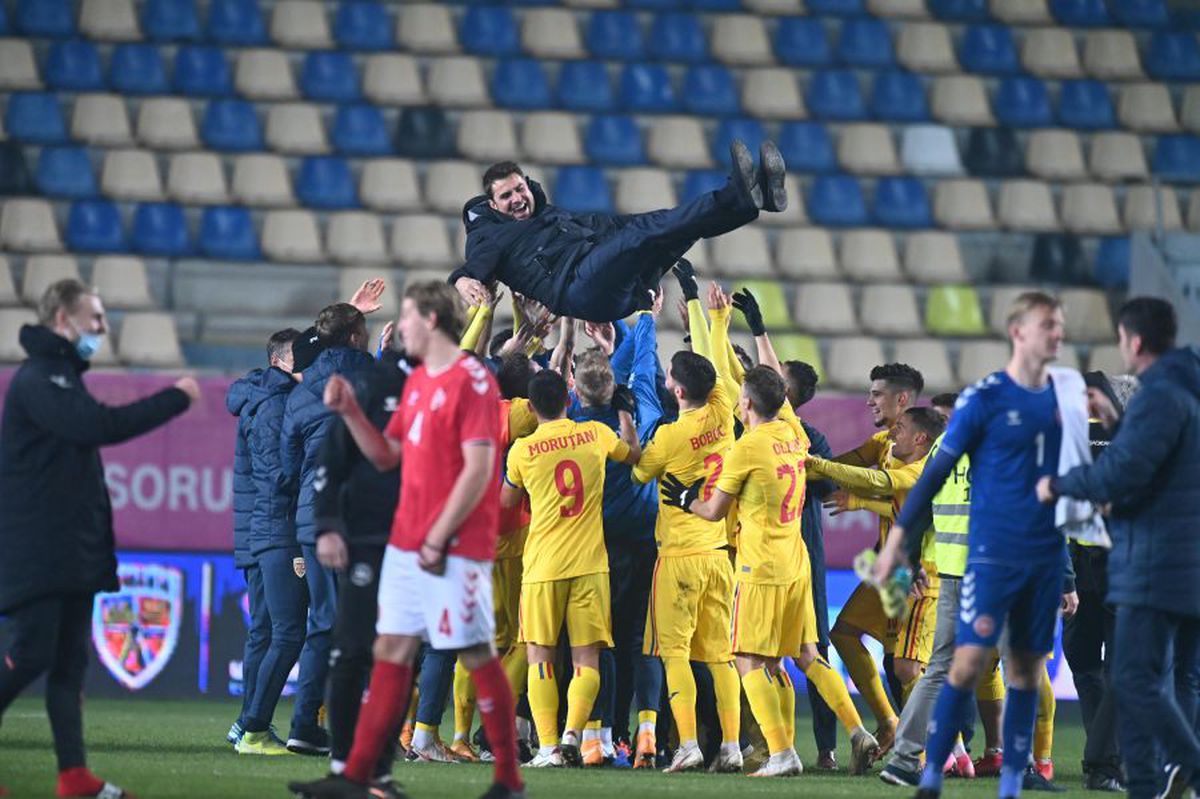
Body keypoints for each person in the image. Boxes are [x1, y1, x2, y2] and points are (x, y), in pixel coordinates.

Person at [289, 281, 524, 799]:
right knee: (391, 649)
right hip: (407, 541)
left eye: (409, 318)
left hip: (455, 545)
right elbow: (386, 455)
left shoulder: (471, 381)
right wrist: (350, 411)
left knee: (476, 653)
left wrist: (439, 537)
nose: (400, 328)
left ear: (433, 322)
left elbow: (480, 468)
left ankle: (508, 779)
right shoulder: (418, 383)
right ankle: (356, 778)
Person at [874, 291, 1081, 799]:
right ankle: (940, 765)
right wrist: (900, 548)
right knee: (991, 667)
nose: (1057, 334)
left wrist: (904, 549)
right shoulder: (987, 423)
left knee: (973, 666)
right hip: (981, 568)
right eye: (1047, 324)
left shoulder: (1039, 412)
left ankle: (920, 760)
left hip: (976, 566)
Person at [0, 279, 199, 799]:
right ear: (63, 319)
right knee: (33, 655)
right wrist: (175, 398)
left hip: (68, 549)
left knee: (69, 667)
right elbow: (98, 426)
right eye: (96, 318)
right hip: (38, 549)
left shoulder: (61, 374)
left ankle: (74, 777)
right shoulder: (41, 378)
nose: (103, 329)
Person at [661, 366, 880, 777]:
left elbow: (712, 511)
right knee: (808, 656)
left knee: (746, 660)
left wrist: (688, 497)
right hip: (797, 561)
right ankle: (858, 731)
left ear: (745, 403)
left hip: (759, 567)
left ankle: (782, 753)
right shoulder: (794, 434)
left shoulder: (748, 447)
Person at [1038, 297, 1200, 799]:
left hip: (1159, 562)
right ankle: (1152, 781)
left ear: (1133, 341)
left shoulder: (1161, 394)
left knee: (1131, 677)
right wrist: (1114, 429)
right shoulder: (1186, 391)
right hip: (1181, 559)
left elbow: (1124, 472)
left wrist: (1060, 484)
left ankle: (1186, 767)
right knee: (1168, 676)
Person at [449, 140, 787, 322]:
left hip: (613, 281)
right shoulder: (489, 236)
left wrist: (659, 221)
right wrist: (461, 281)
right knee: (644, 233)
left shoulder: (550, 215)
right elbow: (470, 270)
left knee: (674, 230)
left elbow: (605, 226)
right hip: (577, 288)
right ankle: (737, 193)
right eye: (506, 196)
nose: (517, 199)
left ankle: (754, 202)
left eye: (519, 189)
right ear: (493, 206)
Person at [501, 368, 642, 767]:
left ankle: (547, 748)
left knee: (540, 657)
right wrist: (627, 419)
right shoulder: (596, 435)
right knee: (587, 658)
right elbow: (634, 456)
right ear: (570, 400)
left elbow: (507, 502)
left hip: (543, 565)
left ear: (530, 407)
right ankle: (573, 736)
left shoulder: (523, 450)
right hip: (591, 564)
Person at [280, 303, 378, 755]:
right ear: (357, 337)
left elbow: (288, 467)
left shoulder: (299, 394)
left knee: (322, 622)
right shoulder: (374, 378)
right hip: (362, 517)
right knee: (372, 623)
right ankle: (367, 728)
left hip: (312, 517)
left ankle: (304, 725)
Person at [312, 340, 411, 783]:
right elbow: (332, 458)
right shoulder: (373, 385)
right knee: (352, 651)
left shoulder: (446, 386)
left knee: (403, 659)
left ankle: (380, 769)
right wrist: (328, 525)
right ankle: (343, 765)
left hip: (419, 545)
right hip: (370, 540)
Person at [571, 311, 666, 767]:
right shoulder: (645, 410)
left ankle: (596, 736)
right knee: (639, 641)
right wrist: (645, 319)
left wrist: (618, 340)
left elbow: (606, 376)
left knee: (595, 643)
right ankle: (643, 734)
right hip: (648, 540)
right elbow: (643, 365)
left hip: (597, 544)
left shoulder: (575, 424)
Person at [827, 363, 926, 759]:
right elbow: (850, 464)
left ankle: (930, 750)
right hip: (889, 567)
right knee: (845, 633)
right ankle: (890, 722)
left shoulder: (918, 448)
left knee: (907, 667)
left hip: (913, 570)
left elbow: (911, 510)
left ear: (901, 399)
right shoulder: (886, 441)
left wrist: (858, 500)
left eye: (877, 393)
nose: (869, 400)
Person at [227, 328, 307, 756]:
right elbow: (279, 473)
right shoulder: (274, 405)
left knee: (265, 631)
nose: (309, 365)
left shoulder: (259, 397)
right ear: (280, 362)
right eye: (302, 357)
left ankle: (246, 724)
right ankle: (251, 724)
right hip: (274, 528)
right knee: (278, 632)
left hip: (261, 527)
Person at [1056, 371, 1137, 792]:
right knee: (1116, 670)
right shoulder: (1132, 442)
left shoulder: (1065, 443)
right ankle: (1106, 760)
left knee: (1087, 667)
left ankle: (1104, 758)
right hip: (1117, 572)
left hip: (1078, 571)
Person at [783, 360, 840, 771]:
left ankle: (827, 747)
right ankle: (767, 744)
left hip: (801, 555)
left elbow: (827, 485)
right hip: (761, 556)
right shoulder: (748, 431)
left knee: (816, 647)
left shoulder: (811, 438)